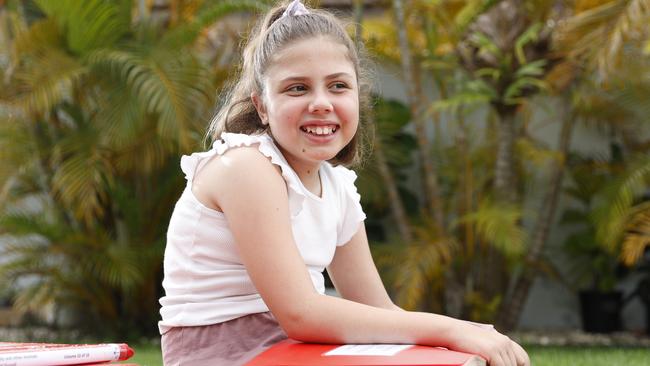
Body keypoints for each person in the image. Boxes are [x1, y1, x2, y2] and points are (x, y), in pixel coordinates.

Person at [158, 1, 530, 365]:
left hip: (297, 347)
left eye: (337, 86)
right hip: (225, 352)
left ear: (357, 96)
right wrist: (451, 329)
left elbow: (377, 310)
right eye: (297, 88)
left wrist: (465, 336)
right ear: (262, 107)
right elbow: (300, 314)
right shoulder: (246, 167)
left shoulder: (337, 188)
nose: (321, 103)